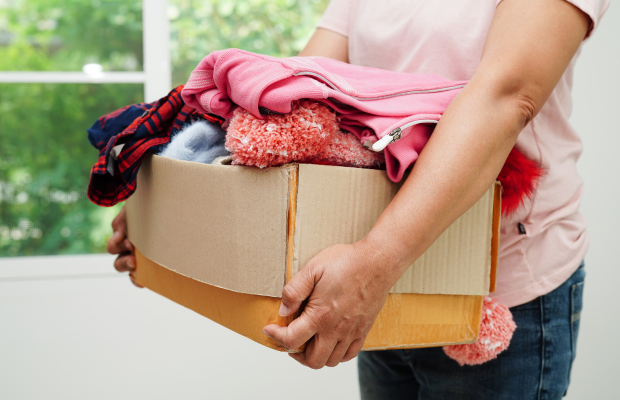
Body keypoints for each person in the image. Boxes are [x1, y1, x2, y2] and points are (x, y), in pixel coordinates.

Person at [107, 0, 609, 398]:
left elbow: (508, 95)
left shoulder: (379, 268)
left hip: (490, 283)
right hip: (379, 273)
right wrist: (170, 205)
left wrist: (376, 264)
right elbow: (305, 87)